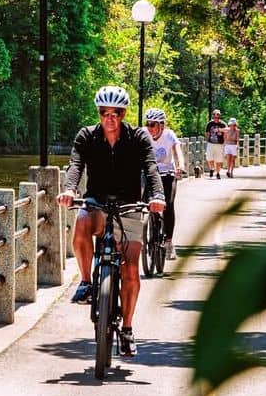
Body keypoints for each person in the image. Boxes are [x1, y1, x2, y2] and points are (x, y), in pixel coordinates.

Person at [57, 85, 165, 359]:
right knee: (81, 224)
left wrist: (157, 196)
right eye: (105, 113)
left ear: (123, 114)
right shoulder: (87, 136)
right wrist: (70, 190)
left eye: (116, 113)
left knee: (130, 270)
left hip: (129, 207)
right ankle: (86, 282)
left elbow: (151, 168)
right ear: (99, 114)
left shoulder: (138, 137)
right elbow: (75, 164)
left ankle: (127, 329)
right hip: (96, 204)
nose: (110, 118)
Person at [144, 107, 184, 259]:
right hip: (149, 173)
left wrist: (181, 166)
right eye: (148, 124)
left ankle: (168, 242)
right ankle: (144, 230)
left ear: (161, 125)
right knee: (141, 201)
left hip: (167, 173)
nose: (150, 128)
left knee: (168, 203)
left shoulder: (169, 135)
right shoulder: (144, 134)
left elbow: (177, 151)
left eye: (153, 124)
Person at [204, 109, 227, 179]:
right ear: (213, 116)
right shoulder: (209, 124)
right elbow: (207, 133)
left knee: (219, 160)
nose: (216, 118)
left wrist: (220, 130)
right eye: (215, 116)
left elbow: (227, 130)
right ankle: (211, 169)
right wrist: (207, 140)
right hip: (211, 143)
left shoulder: (222, 124)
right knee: (209, 158)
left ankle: (218, 173)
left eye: (218, 116)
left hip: (220, 144)